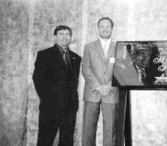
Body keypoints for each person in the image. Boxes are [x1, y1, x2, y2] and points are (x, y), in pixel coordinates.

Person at [32, 25, 81, 146]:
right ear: (55, 37)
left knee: (67, 141)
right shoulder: (44, 54)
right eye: (61, 34)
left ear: (71, 38)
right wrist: (48, 99)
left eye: (67, 34)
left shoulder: (76, 58)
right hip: (50, 107)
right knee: (45, 140)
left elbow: (74, 83)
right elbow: (37, 79)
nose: (64, 37)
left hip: (70, 108)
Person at [82, 17, 119, 146]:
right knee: (88, 130)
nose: (105, 29)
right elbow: (85, 69)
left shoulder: (119, 47)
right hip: (92, 93)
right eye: (102, 26)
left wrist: (110, 85)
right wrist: (98, 86)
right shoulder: (89, 47)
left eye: (107, 26)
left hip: (112, 92)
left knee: (111, 129)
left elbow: (121, 70)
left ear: (112, 29)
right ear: (98, 28)